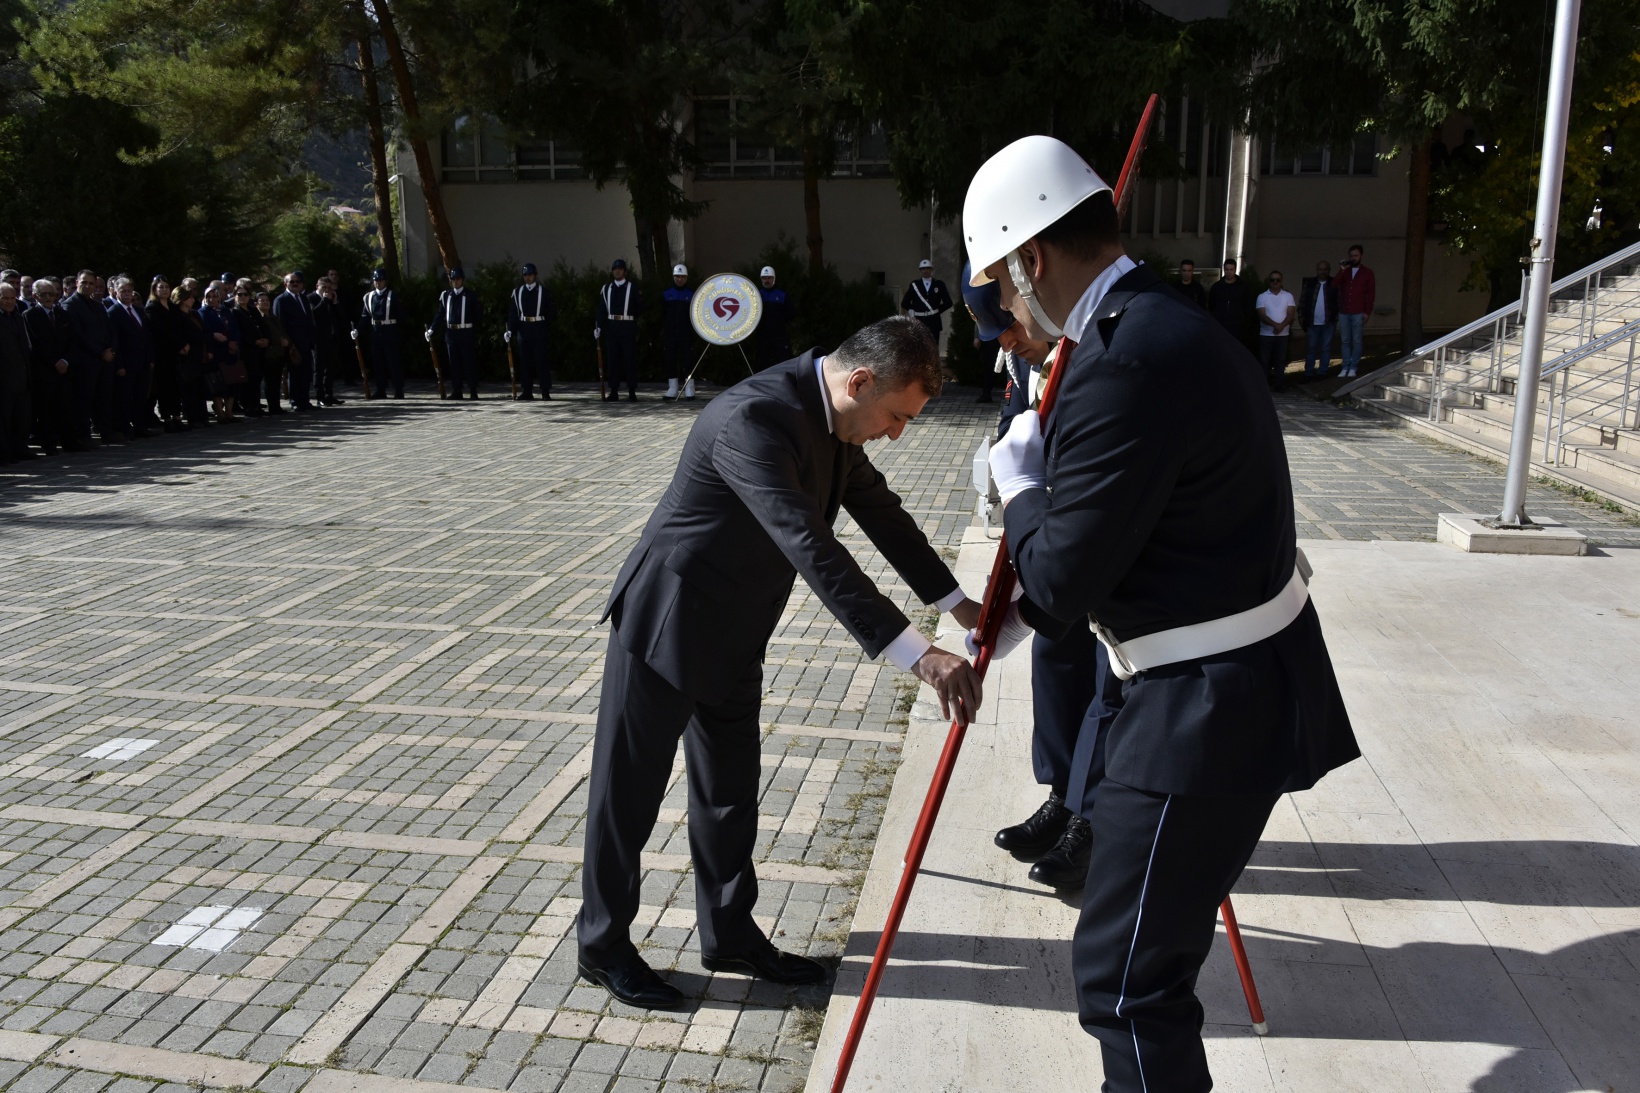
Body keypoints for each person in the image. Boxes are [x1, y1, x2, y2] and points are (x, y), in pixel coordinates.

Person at [967, 135, 1359, 1093]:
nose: (1011, 315)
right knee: (1134, 968)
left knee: (1126, 983)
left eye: (1005, 290)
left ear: (1032, 257)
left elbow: (1057, 590)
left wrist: (1020, 486)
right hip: (1222, 685)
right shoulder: (1153, 324)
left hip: (1202, 712)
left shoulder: (1124, 360)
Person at [577, 317, 985, 1010]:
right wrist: (919, 655)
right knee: (628, 795)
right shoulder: (753, 419)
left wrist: (960, 604)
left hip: (735, 632)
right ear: (859, 381)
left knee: (730, 791)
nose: (895, 434)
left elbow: (881, 513)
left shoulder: (836, 418)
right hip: (668, 625)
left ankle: (730, 932)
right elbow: (812, 545)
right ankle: (602, 944)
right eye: (894, 416)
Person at [963, 262, 1107, 892]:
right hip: (1052, 537)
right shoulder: (1027, 347)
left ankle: (1093, 819)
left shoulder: (1097, 345)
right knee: (1056, 662)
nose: (1005, 339)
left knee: (1109, 686)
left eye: (1007, 321)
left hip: (1102, 538)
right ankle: (1063, 794)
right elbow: (1017, 415)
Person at [63, 270, 116, 446]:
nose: (87, 286)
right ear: (77, 282)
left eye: (91, 283)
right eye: (84, 282)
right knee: (84, 401)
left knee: (104, 398)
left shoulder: (98, 305)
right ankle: (84, 436)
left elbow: (109, 330)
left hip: (104, 360)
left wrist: (110, 350)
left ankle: (106, 432)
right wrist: (100, 352)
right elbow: (78, 335)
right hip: (85, 362)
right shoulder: (70, 305)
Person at [25, 280, 78, 453]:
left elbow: (72, 341)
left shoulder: (63, 314)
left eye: (51, 294)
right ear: (35, 296)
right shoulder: (29, 316)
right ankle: (49, 443)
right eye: (44, 294)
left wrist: (65, 360)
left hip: (64, 369)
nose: (48, 298)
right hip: (45, 371)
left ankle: (69, 441)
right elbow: (34, 345)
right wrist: (53, 362)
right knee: (47, 409)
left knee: (66, 407)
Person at [105, 276, 155, 437]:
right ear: (115, 292)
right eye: (123, 291)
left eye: (129, 291)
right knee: (125, 397)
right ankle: (125, 427)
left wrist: (150, 359)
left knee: (141, 396)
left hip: (142, 362)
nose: (127, 294)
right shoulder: (113, 312)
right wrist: (119, 364)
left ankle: (140, 426)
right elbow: (115, 340)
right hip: (126, 363)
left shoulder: (139, 310)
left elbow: (147, 337)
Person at [428, 267, 483, 400]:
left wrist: (474, 330)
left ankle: (473, 390)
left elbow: (477, 315)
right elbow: (440, 314)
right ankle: (457, 390)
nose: (456, 282)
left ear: (462, 280)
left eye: (458, 279)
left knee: (469, 362)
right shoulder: (446, 295)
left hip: (466, 332)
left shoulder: (470, 295)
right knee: (454, 364)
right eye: (453, 279)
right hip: (451, 333)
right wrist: (432, 329)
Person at [507, 262, 555, 400]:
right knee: (525, 362)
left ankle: (545, 391)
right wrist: (510, 330)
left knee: (541, 361)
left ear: (535, 276)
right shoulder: (517, 292)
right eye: (525, 275)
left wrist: (545, 325)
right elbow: (514, 313)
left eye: (530, 275)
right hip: (523, 329)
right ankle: (527, 390)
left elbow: (551, 312)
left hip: (539, 328)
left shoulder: (543, 292)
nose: (528, 277)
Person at [595, 258, 641, 402]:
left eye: (620, 269)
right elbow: (602, 310)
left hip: (627, 327)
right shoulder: (607, 289)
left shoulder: (632, 288)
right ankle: (613, 391)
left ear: (624, 271)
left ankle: (632, 391)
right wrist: (599, 327)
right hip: (612, 327)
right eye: (615, 269)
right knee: (613, 360)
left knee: (629, 360)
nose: (617, 271)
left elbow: (640, 307)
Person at [273, 271, 318, 411]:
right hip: (292, 344)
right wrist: (287, 342)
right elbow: (280, 323)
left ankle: (305, 400)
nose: (295, 284)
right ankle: (295, 401)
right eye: (292, 282)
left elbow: (309, 320)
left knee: (305, 373)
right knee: (294, 374)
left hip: (305, 342)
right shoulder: (281, 300)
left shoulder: (304, 298)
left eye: (298, 281)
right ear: (285, 284)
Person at [357, 269, 404, 399]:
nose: (378, 283)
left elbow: (400, 316)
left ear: (385, 281)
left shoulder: (392, 296)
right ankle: (380, 389)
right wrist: (358, 330)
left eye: (381, 280)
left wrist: (398, 333)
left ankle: (398, 389)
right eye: (376, 281)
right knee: (378, 363)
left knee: (393, 362)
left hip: (390, 331)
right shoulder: (368, 297)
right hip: (375, 332)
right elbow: (365, 317)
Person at [0, 283, 33, 462]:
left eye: (12, 298)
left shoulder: (17, 317)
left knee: (21, 416)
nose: (10, 302)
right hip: (5, 377)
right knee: (5, 419)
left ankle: (20, 448)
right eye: (5, 298)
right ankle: (5, 452)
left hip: (22, 375)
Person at [1332, 243, 1375, 377]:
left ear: (1361, 256)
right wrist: (1342, 269)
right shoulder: (1346, 271)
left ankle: (1353, 367)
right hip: (1344, 311)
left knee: (1356, 341)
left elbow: (1371, 293)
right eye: (1351, 256)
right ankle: (1345, 367)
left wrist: (1367, 311)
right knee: (1345, 340)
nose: (1353, 258)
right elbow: (1334, 284)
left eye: (1356, 255)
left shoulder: (1367, 272)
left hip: (1358, 312)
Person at [174, 280, 211, 428]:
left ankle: (202, 417)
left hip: (199, 354)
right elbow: (184, 335)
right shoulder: (177, 316)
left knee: (200, 387)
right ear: (182, 299)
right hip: (187, 357)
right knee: (189, 389)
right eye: (189, 297)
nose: (193, 300)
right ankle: (192, 418)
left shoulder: (194, 314)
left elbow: (203, 331)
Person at [199, 281, 237, 423]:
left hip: (230, 351)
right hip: (216, 351)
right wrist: (226, 342)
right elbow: (207, 331)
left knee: (231, 382)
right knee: (218, 384)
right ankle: (220, 412)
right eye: (208, 297)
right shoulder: (203, 313)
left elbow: (234, 328)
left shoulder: (225, 311)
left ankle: (229, 412)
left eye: (214, 296)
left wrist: (234, 342)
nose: (212, 299)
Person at [231, 284, 269, 418]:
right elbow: (239, 332)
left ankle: (256, 404)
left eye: (245, 294)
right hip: (246, 350)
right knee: (247, 379)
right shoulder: (235, 312)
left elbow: (262, 325)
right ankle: (248, 406)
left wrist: (264, 339)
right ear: (235, 297)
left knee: (257, 378)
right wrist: (254, 341)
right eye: (239, 295)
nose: (243, 297)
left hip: (258, 350)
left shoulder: (253, 310)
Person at [1255, 271, 1296, 390]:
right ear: (1269, 281)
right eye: (1272, 280)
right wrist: (1275, 325)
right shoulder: (1262, 296)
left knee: (1280, 360)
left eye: (1277, 280)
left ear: (1281, 281)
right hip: (1266, 334)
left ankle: (1279, 383)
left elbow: (1291, 314)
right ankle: (1263, 384)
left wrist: (1281, 326)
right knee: (1264, 360)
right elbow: (1261, 315)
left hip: (1283, 335)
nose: (1275, 282)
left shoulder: (1288, 296)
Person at [310, 277, 347, 406]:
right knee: (318, 369)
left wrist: (335, 302)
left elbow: (341, 317)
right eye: (324, 287)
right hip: (318, 339)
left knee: (330, 369)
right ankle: (320, 396)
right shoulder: (311, 298)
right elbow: (314, 314)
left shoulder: (331, 300)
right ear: (317, 286)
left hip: (331, 339)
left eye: (329, 288)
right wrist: (325, 300)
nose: (327, 290)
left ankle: (329, 394)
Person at [900, 258, 954, 347]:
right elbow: (905, 302)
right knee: (919, 346)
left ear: (931, 270)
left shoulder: (939, 284)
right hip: (919, 320)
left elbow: (948, 302)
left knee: (933, 347)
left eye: (928, 268)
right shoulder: (915, 285)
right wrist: (911, 309)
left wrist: (936, 311)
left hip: (934, 321)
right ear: (920, 270)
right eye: (923, 269)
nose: (925, 271)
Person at [660, 263, 694, 401]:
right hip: (670, 334)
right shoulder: (666, 294)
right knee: (671, 360)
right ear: (673, 277)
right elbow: (662, 315)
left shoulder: (692, 295)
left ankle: (689, 388)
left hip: (686, 333)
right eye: (677, 276)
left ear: (686, 277)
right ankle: (672, 389)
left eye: (682, 276)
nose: (680, 279)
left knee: (688, 361)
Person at [1300, 260, 1339, 377]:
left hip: (1328, 322)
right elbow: (1302, 302)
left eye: (1325, 269)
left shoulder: (1334, 283)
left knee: (1325, 349)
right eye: (1320, 269)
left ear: (1329, 270)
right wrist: (1302, 319)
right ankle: (1308, 372)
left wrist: (1335, 319)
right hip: (1312, 322)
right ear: (1317, 270)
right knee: (1311, 349)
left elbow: (1338, 302)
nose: (1323, 271)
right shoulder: (1310, 284)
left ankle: (1323, 372)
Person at [256, 290, 291, 415]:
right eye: (262, 301)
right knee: (270, 382)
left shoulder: (274, 317)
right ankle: (272, 406)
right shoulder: (259, 318)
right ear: (256, 304)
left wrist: (286, 340)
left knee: (276, 381)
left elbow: (282, 331)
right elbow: (266, 335)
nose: (265, 303)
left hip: (279, 353)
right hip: (268, 354)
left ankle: (276, 406)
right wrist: (278, 341)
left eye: (267, 300)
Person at [753, 266, 794, 371]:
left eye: (769, 278)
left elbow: (790, 313)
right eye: (764, 278)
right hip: (762, 335)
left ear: (774, 279)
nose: (766, 280)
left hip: (779, 335)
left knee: (783, 360)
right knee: (761, 361)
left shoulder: (782, 295)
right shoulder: (756, 295)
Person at [1207, 257, 1253, 350]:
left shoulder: (1243, 286)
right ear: (1224, 269)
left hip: (1237, 325)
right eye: (1227, 269)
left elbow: (1248, 305)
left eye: (1231, 269)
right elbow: (1212, 305)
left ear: (1235, 269)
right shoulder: (1217, 287)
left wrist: (1244, 321)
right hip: (1221, 324)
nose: (1229, 272)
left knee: (1236, 349)